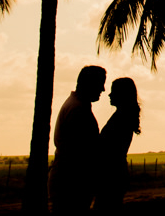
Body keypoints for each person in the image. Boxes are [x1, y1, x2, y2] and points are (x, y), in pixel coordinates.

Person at [49, 65, 105, 214]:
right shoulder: (78, 109)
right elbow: (80, 151)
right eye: (100, 83)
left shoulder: (76, 106)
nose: (103, 89)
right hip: (71, 184)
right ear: (90, 83)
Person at [94, 77, 141, 213]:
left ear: (122, 95)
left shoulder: (121, 119)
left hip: (111, 176)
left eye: (113, 91)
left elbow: (108, 149)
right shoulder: (123, 117)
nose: (109, 94)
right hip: (116, 174)